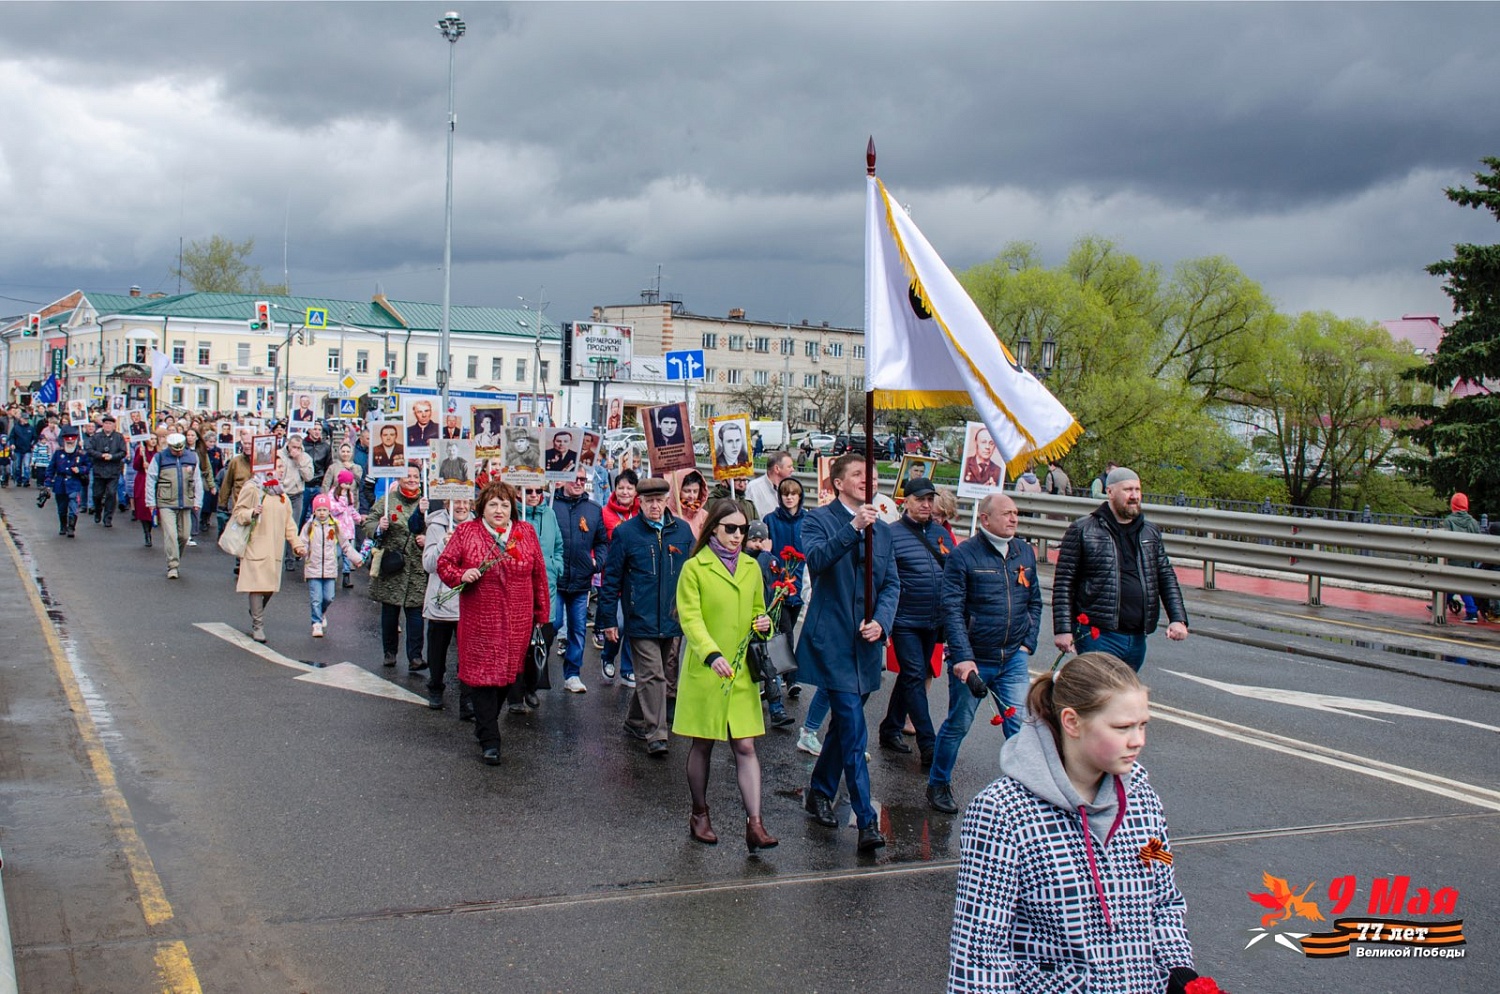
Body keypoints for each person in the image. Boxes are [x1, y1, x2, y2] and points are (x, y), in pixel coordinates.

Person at [948, 654, 1199, 994]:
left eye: (1143, 725)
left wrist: (1178, 968)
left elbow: (1165, 899)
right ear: (1072, 722)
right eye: (1122, 727)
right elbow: (980, 954)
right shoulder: (1001, 813)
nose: (1138, 739)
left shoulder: (1144, 799)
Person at [795, 453, 900, 853]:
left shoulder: (885, 531)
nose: (866, 480)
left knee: (843, 726)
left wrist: (883, 621)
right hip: (833, 643)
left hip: (867, 645)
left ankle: (819, 790)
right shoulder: (818, 520)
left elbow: (891, 584)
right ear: (838, 483)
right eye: (858, 474)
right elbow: (818, 561)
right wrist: (853, 529)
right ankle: (866, 822)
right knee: (854, 731)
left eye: (871, 475)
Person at [672, 500, 778, 853]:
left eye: (743, 530)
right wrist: (711, 653)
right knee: (702, 742)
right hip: (707, 670)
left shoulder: (750, 567)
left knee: (745, 745)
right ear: (713, 528)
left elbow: (759, 614)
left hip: (741, 672)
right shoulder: (694, 568)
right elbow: (690, 618)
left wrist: (764, 624)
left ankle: (755, 824)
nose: (737, 536)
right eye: (730, 528)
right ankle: (700, 814)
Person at [927, 493, 1042, 814]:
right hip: (974, 659)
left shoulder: (1024, 552)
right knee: (959, 723)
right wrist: (963, 657)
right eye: (1006, 513)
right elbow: (951, 610)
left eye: (1016, 513)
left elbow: (1035, 601)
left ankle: (1026, 789)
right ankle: (938, 782)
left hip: (1013, 658)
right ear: (986, 519)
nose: (1014, 518)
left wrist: (1027, 643)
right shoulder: (963, 556)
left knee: (1019, 726)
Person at [436, 480, 551, 765]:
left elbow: (539, 575)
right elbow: (444, 564)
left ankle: (484, 724)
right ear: (482, 508)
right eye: (493, 504)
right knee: (483, 678)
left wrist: (541, 614)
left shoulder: (525, 532)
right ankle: (490, 739)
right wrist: (462, 574)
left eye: (504, 504)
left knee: (507, 677)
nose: (499, 510)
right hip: (480, 620)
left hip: (518, 619)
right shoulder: (466, 532)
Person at [1053, 467, 1189, 672]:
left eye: (1137, 489)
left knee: (1123, 700)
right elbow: (1064, 582)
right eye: (1127, 490)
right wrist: (1063, 629)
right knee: (1100, 697)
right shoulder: (1083, 529)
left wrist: (1178, 618)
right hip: (1098, 635)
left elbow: (1165, 576)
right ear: (1110, 492)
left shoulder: (1149, 531)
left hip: (1136, 637)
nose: (1134, 496)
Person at [599, 476, 693, 757]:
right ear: (639, 502)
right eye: (649, 500)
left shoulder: (683, 531)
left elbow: (693, 573)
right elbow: (611, 578)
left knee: (659, 672)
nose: (654, 506)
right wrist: (607, 620)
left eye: (659, 500)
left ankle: (635, 720)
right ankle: (657, 734)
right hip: (639, 617)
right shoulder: (626, 533)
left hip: (672, 617)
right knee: (653, 675)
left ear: (667, 501)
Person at [878, 476, 949, 767]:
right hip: (904, 619)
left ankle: (889, 728)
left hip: (933, 620)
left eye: (930, 499)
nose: (926, 504)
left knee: (911, 676)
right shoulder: (891, 533)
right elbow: (883, 577)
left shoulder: (939, 533)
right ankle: (928, 744)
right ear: (906, 501)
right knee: (915, 676)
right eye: (920, 499)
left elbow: (952, 570)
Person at [363, 465, 431, 671]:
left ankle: (415, 657)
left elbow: (438, 528)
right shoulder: (387, 501)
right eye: (407, 476)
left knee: (415, 613)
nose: (411, 480)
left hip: (417, 566)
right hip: (393, 565)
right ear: (399, 479)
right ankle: (390, 652)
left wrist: (427, 539)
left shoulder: (428, 504)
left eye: (415, 476)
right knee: (390, 613)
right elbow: (368, 524)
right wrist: (378, 527)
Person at [509, 483, 564, 714]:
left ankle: (532, 686)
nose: (533, 496)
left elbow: (559, 545)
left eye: (538, 491)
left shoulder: (550, 513)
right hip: (520, 588)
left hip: (547, 587)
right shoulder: (513, 515)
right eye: (528, 491)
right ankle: (515, 696)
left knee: (543, 642)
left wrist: (556, 566)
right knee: (519, 645)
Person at [552, 467, 608, 694]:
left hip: (581, 579)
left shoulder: (593, 509)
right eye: (574, 478)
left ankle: (572, 674)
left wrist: (597, 564)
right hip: (556, 578)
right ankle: (537, 667)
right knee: (552, 624)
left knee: (577, 629)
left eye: (583, 480)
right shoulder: (550, 506)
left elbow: (602, 542)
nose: (578, 482)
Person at [232, 475, 306, 643]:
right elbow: (238, 513)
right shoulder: (252, 488)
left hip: (274, 549)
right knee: (257, 585)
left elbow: (289, 524)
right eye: (277, 467)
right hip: (255, 545)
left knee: (269, 588)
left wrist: (297, 544)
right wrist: (252, 512)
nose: (280, 471)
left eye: (282, 468)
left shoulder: (282, 496)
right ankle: (258, 625)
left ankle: (256, 609)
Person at [421, 496, 474, 716]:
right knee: (437, 651)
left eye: (465, 502)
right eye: (455, 502)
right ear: (446, 505)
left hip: (466, 600)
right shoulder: (436, 526)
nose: (461, 507)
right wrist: (443, 542)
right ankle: (435, 686)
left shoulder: (477, 526)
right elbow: (429, 565)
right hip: (441, 599)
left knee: (467, 654)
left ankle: (467, 699)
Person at [299, 494, 364, 637]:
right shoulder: (309, 526)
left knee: (329, 597)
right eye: (319, 510)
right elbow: (302, 542)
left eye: (324, 510)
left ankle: (321, 613)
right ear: (314, 511)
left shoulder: (335, 525)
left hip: (330, 568)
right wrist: (300, 551)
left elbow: (345, 545)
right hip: (313, 567)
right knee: (316, 597)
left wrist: (356, 558)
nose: (322, 513)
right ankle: (316, 622)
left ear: (329, 511)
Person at [145, 433, 204, 579]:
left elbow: (197, 480)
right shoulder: (159, 458)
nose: (178, 453)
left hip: (186, 501)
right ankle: (173, 565)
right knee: (171, 534)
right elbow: (151, 479)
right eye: (175, 450)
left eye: (180, 450)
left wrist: (198, 501)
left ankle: (176, 556)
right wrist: (151, 502)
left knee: (184, 535)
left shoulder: (192, 457)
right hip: (166, 501)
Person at [599, 469, 640, 685]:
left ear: (636, 491)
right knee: (619, 624)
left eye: (629, 488)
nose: (625, 492)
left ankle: (627, 668)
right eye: (621, 487)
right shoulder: (604, 513)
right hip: (614, 576)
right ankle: (607, 656)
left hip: (635, 578)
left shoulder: (641, 513)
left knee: (633, 625)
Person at [1442, 492, 1483, 623]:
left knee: (1459, 584)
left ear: (1452, 505)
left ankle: (1472, 612)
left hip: (1453, 558)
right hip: (1468, 559)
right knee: (1456, 582)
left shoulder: (1448, 521)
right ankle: (1441, 604)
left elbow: (1444, 541)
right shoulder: (1473, 522)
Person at [278, 433, 315, 571]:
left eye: (299, 447)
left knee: (293, 526)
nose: (295, 449)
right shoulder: (279, 455)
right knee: (278, 526)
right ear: (288, 444)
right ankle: (276, 555)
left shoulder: (305, 458)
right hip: (281, 493)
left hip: (296, 495)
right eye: (293, 446)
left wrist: (299, 461)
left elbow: (309, 477)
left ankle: (290, 558)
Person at [46, 427, 92, 538]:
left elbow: (88, 465)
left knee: (73, 506)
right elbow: (51, 468)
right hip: (60, 483)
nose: (70, 443)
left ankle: (71, 528)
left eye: (72, 442)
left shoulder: (81, 453)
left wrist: (80, 470)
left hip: (74, 482)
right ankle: (63, 525)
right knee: (62, 509)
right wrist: (47, 483)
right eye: (68, 442)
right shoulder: (58, 453)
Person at [84, 413, 127, 527]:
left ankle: (108, 517)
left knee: (111, 494)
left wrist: (112, 457)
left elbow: (123, 452)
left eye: (110, 424)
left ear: (114, 425)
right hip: (99, 469)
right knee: (97, 494)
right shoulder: (96, 437)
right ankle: (98, 511)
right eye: (106, 423)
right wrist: (100, 455)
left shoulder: (119, 437)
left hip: (113, 470)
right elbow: (89, 449)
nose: (108, 426)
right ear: (103, 425)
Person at [327, 470, 364, 588]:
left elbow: (352, 509)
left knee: (347, 554)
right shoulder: (333, 494)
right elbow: (331, 509)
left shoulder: (349, 494)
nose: (347, 485)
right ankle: (332, 573)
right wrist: (342, 507)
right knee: (337, 552)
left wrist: (359, 519)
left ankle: (346, 576)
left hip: (348, 528)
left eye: (349, 483)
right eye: (346, 483)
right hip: (338, 528)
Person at [744, 450, 794, 518]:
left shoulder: (791, 488)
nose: (792, 469)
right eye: (789, 467)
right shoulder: (753, 488)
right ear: (777, 469)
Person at [131, 434, 159, 546]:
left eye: (155, 439)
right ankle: (146, 532)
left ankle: (151, 526)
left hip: (155, 480)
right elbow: (135, 466)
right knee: (143, 506)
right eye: (151, 439)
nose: (153, 441)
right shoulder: (141, 450)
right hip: (143, 480)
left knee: (154, 507)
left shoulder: (158, 453)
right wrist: (141, 460)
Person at [675, 469, 709, 537]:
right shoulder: (667, 514)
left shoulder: (704, 516)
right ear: (677, 490)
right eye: (687, 491)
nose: (692, 496)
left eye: (695, 491)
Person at [8, 414, 35, 487]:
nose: (26, 420)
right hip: (18, 449)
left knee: (26, 466)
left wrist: (32, 444)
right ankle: (18, 480)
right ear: (21, 419)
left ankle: (26, 480)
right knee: (17, 466)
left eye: (27, 419)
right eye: (25, 418)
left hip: (27, 449)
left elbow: (34, 437)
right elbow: (12, 437)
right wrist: (12, 444)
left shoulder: (31, 428)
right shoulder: (16, 427)